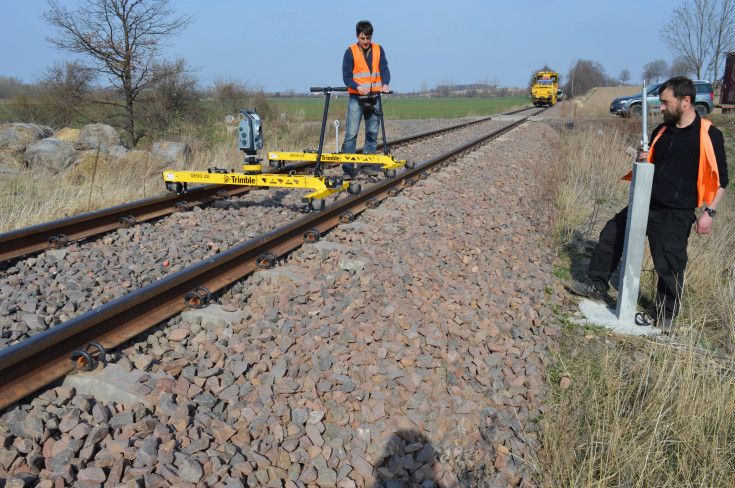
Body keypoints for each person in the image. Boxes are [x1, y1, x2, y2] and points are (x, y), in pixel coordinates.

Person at [569, 77, 728, 332]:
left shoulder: (709, 134)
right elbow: (652, 163)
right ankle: (597, 285)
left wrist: (709, 212)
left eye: (666, 102)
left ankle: (666, 315)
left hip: (677, 212)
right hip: (647, 203)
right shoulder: (661, 131)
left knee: (669, 262)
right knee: (611, 233)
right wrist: (645, 158)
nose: (661, 107)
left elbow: (722, 180)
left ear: (686, 101)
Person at [341, 20, 391, 180]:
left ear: (371, 36)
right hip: (356, 98)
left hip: (374, 97)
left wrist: (385, 84)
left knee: (372, 133)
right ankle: (348, 169)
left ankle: (367, 165)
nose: (365, 42)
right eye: (362, 38)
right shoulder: (350, 52)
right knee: (351, 134)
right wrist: (358, 87)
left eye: (368, 38)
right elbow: (347, 77)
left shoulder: (378, 49)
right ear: (357, 36)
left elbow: (384, 68)